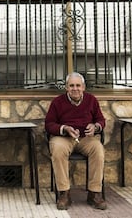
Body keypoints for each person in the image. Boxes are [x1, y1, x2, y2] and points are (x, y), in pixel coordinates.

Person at [45, 72, 106, 210]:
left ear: (83, 87)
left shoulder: (91, 100)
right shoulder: (57, 102)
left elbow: (101, 120)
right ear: (66, 87)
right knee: (57, 149)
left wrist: (95, 127)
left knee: (98, 150)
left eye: (78, 85)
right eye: (71, 85)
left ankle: (94, 193)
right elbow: (49, 124)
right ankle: (64, 193)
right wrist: (65, 128)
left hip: (86, 138)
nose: (75, 88)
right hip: (64, 138)